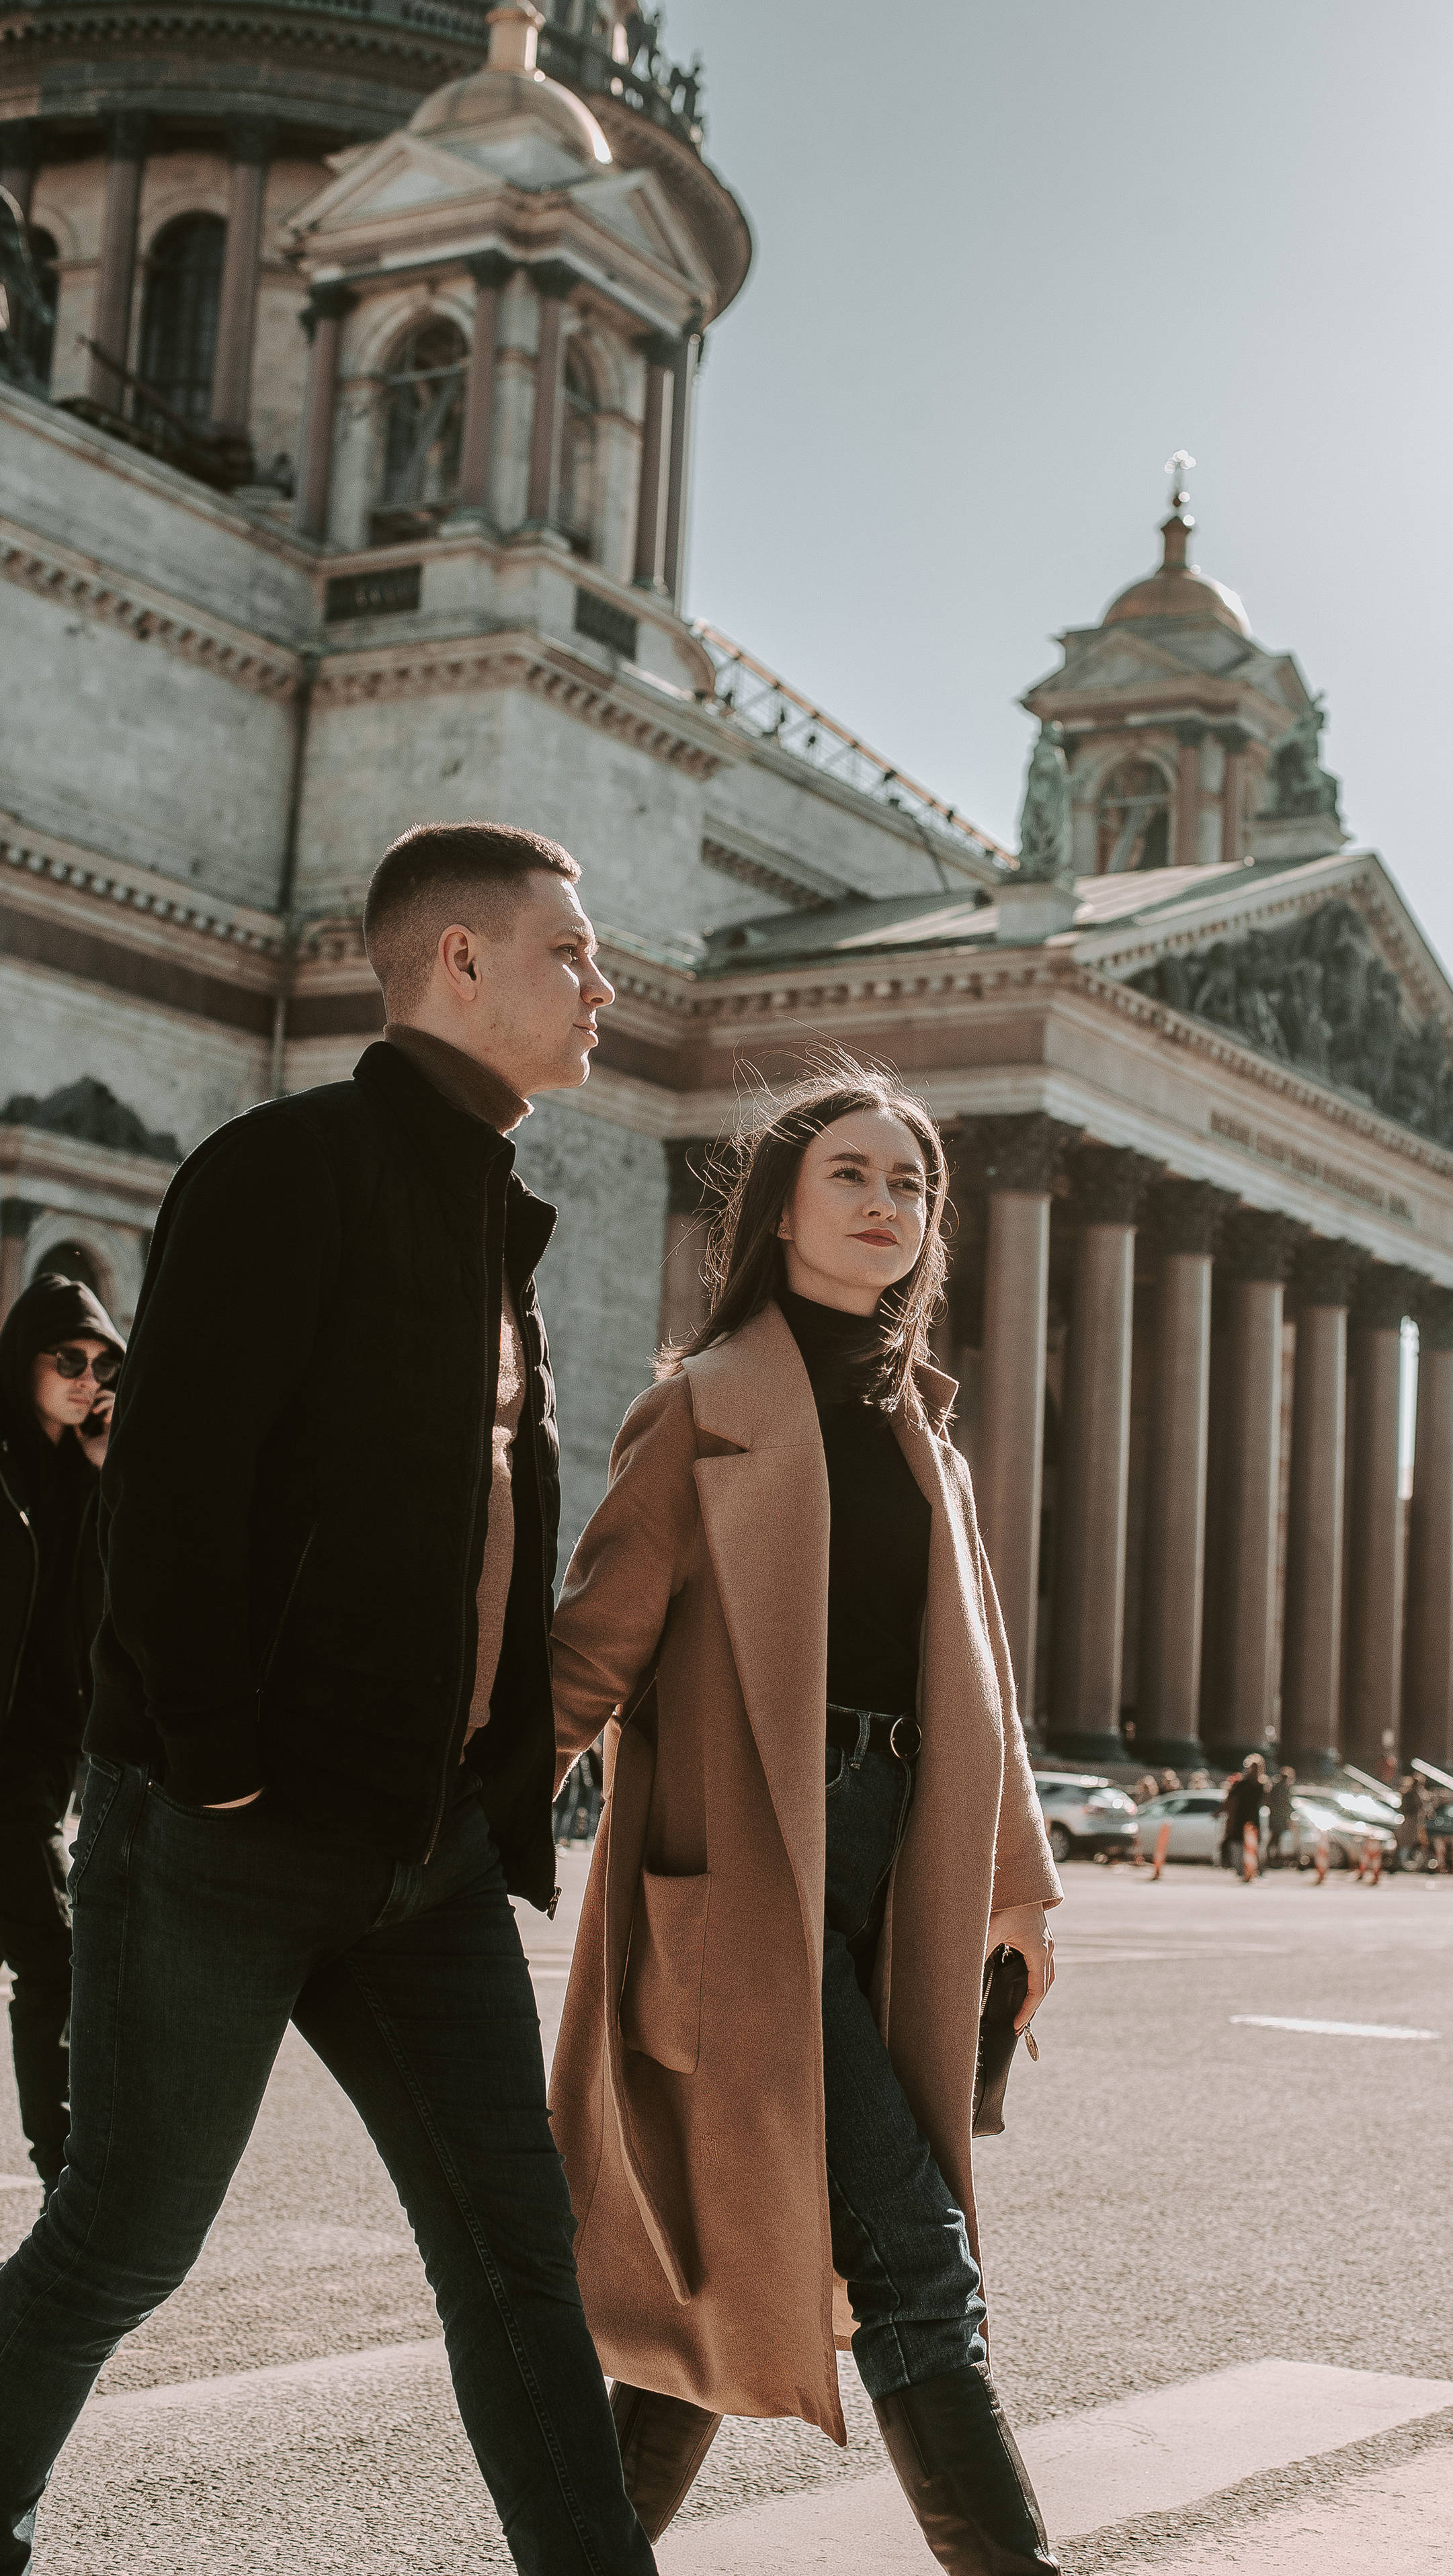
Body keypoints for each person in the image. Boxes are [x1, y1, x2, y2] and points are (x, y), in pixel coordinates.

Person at [0, 822, 656, 2576]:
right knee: (124, 2241)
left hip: (425, 1849)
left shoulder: (496, 1219)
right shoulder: (287, 1166)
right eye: (570, 955)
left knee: (520, 2263)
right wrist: (213, 1765)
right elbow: (179, 1487)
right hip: (237, 1834)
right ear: (456, 961)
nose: (605, 987)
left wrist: (495, 1785)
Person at [545, 1064, 1063, 2573]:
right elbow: (587, 1657)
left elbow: (975, 1682)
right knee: (912, 2257)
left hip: (897, 1853)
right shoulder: (698, 1411)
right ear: (776, 1205)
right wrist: (450, 1827)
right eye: (850, 1173)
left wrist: (1015, 1890)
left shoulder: (927, 1439)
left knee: (723, 2267)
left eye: (910, 1185)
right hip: (745, 1871)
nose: (884, 1203)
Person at [0, 1278, 125, 2200]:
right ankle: (67, 2177)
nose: (89, 1380)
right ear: (26, 1360)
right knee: (53, 1958)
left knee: (54, 1958)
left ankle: (68, 2173)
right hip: (7, 1766)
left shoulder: (86, 1480)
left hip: (45, 1764)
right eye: (70, 1361)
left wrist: (113, 1464)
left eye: (105, 1364)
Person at [1220, 1755, 1268, 1877]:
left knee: (1237, 1842)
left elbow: (1231, 1800)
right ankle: (1253, 1869)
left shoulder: (1243, 1784)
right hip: (1253, 1818)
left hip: (1240, 1817)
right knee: (1253, 1844)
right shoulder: (1262, 1785)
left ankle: (1242, 1869)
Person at [1266, 1764, 1296, 1870]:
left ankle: (1273, 1857)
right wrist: (1292, 1811)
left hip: (1276, 1817)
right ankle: (1273, 1858)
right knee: (1275, 1838)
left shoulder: (1276, 1787)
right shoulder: (1282, 1789)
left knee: (1275, 1838)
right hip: (1279, 1818)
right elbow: (1287, 1803)